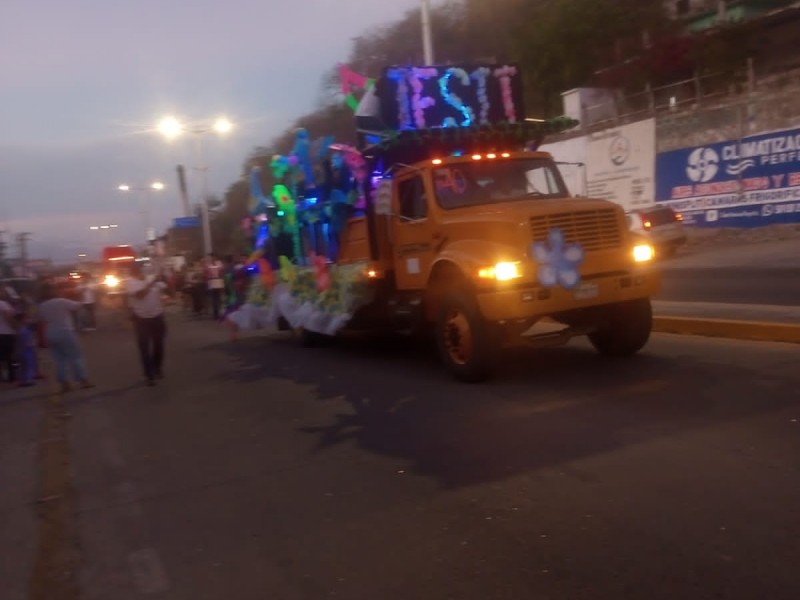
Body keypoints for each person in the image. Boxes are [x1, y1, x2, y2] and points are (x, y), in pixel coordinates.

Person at [38, 283, 94, 393]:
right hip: (65, 331)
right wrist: (82, 295)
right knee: (76, 356)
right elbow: (78, 306)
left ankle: (64, 383)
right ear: (52, 291)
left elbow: (40, 319)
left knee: (59, 360)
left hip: (50, 333)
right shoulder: (61, 301)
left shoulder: (42, 305)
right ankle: (83, 380)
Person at [125, 263, 168, 386]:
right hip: (141, 319)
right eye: (136, 271)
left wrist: (162, 282)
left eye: (140, 270)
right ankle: (148, 375)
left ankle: (157, 368)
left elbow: (165, 289)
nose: (139, 272)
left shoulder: (151, 280)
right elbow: (140, 295)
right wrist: (151, 283)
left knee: (159, 345)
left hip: (157, 316)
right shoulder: (130, 282)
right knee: (144, 348)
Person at [0, 289, 16, 384]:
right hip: (5, 333)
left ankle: (2, 376)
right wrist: (16, 327)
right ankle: (11, 377)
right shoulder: (2, 304)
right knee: (9, 356)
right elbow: (8, 317)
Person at [205, 254, 225, 320]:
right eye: (211, 257)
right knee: (213, 298)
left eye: (213, 257)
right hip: (211, 281)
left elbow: (222, 272)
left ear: (215, 257)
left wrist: (221, 280)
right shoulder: (208, 265)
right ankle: (215, 313)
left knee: (218, 298)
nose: (212, 258)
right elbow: (206, 274)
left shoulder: (219, 263)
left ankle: (219, 312)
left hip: (218, 281)